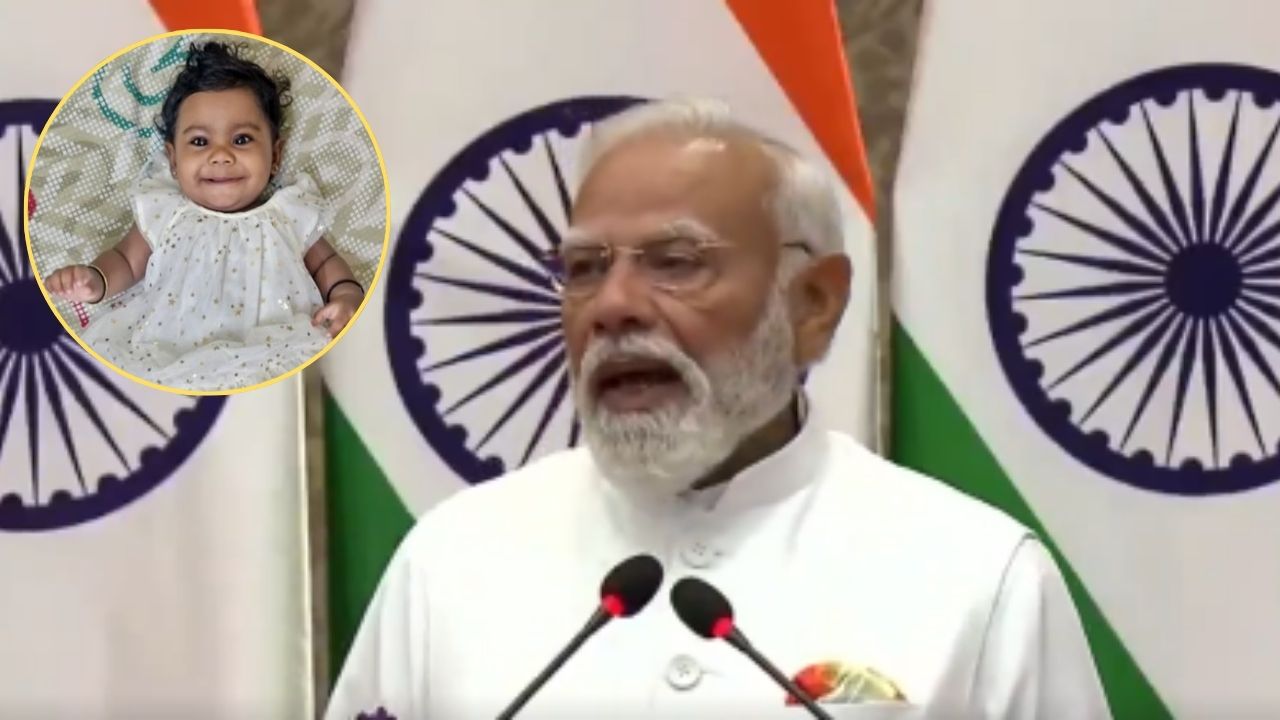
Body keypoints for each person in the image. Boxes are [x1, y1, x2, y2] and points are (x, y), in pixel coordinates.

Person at [326, 98, 1110, 719]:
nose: (614, 306)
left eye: (675, 263)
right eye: (584, 268)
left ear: (813, 301)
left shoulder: (977, 575)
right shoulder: (451, 563)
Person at [43, 41, 364, 392]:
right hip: (169, 351)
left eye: (241, 139)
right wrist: (94, 280)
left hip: (273, 347)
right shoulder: (166, 212)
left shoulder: (289, 213)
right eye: (199, 142)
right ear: (173, 160)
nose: (221, 155)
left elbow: (327, 263)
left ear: (275, 156)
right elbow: (126, 261)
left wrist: (347, 298)